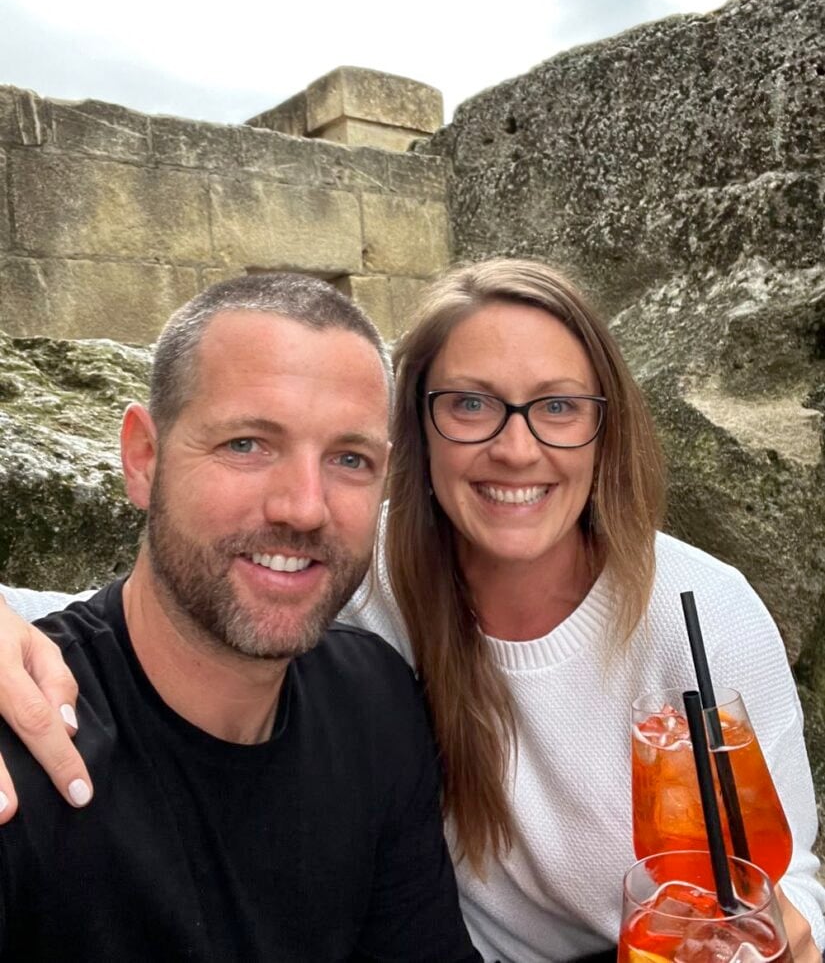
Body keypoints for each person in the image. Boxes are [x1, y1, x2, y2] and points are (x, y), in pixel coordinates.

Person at [0, 258, 822, 962]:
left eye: (559, 406)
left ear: (606, 432)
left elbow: (783, 883)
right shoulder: (371, 572)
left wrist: (794, 930)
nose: (516, 446)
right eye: (469, 404)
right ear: (418, 436)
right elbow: (145, 611)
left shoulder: (699, 610)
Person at [0, 273, 479, 962]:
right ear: (143, 458)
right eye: (247, 444)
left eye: (349, 458)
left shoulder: (376, 703)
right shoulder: (26, 744)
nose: (303, 507)